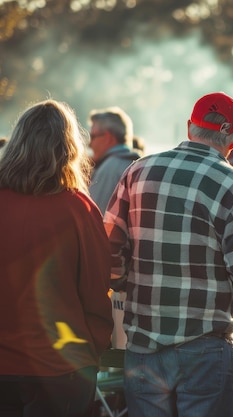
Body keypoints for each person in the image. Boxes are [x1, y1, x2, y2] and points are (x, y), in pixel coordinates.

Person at [103, 91, 233, 417]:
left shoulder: (138, 171)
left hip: (142, 343)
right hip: (205, 347)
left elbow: (108, 251)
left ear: (189, 127)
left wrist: (126, 280)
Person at [0, 99, 113, 417]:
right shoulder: (78, 208)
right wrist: (93, 348)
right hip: (60, 367)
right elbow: (95, 288)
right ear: (69, 149)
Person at [88, 106, 141, 213]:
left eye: (92, 136)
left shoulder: (109, 169)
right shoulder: (139, 164)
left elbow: (95, 215)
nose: (89, 144)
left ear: (108, 137)